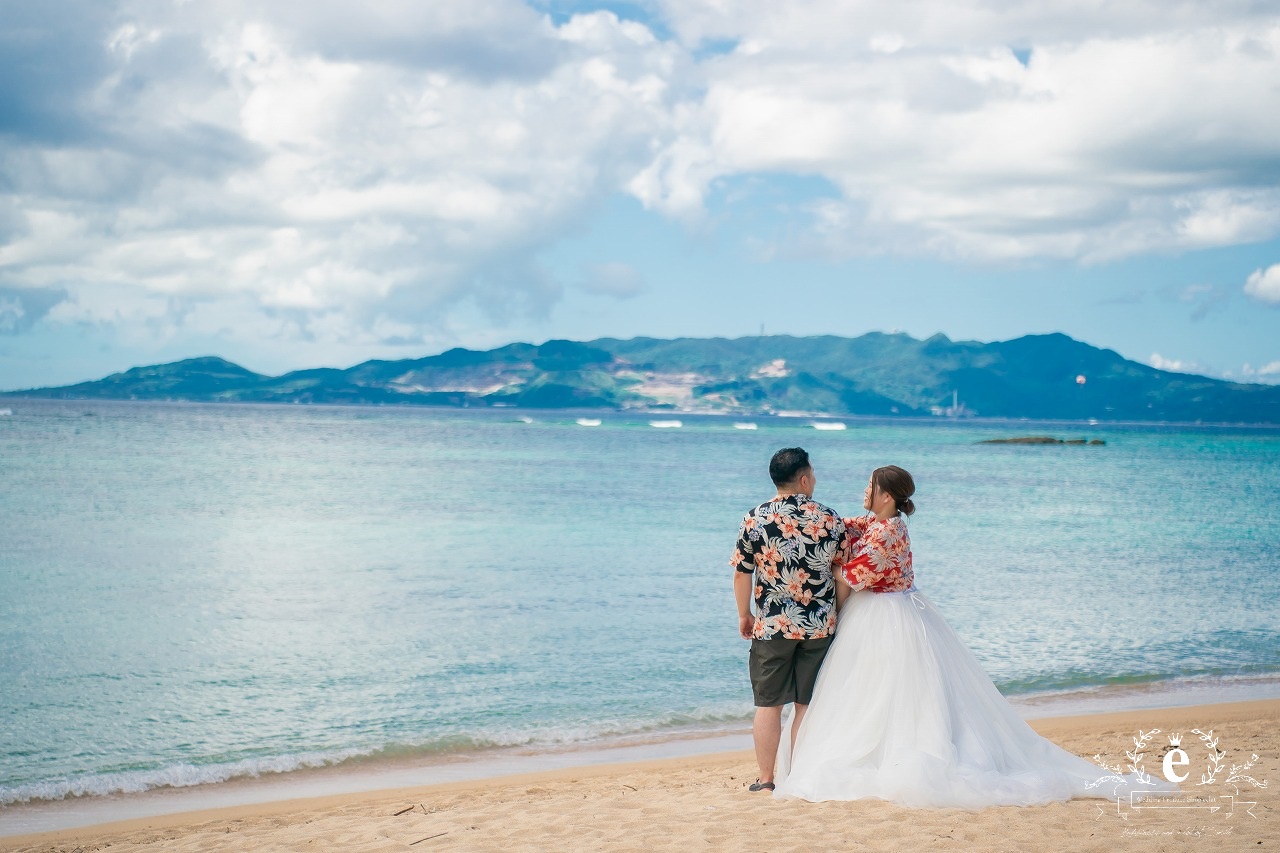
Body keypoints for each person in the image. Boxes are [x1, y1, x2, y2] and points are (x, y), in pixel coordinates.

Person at [774, 465, 1163, 807]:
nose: (863, 491)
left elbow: (850, 576)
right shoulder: (878, 524)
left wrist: (833, 613)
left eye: (869, 486)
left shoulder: (887, 534)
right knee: (879, 690)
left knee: (883, 688)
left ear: (886, 496)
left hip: (883, 615)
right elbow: (842, 526)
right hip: (896, 610)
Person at [731, 447, 846, 793]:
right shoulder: (830, 519)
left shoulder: (754, 518)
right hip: (818, 627)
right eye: (813, 473)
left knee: (768, 705)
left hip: (772, 626)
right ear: (804, 478)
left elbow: (741, 574)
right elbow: (841, 575)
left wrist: (744, 615)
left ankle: (766, 780)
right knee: (805, 706)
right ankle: (797, 778)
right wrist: (835, 612)